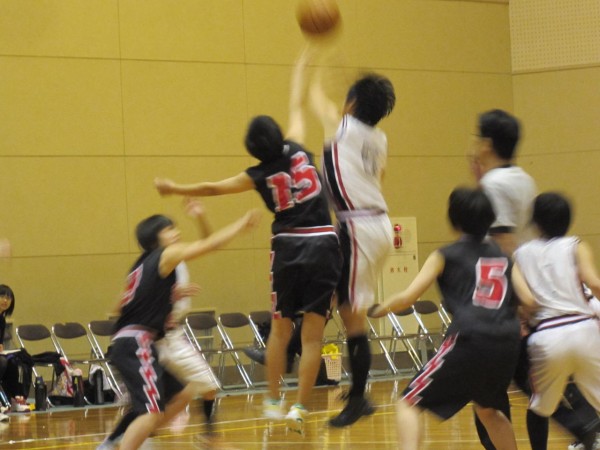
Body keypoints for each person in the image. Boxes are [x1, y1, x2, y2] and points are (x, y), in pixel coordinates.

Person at [154, 47, 342, 434]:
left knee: (280, 328)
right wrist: (298, 70)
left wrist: (175, 187)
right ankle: (301, 408)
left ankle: (273, 401)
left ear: (253, 151)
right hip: (325, 241)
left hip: (290, 245)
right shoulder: (297, 147)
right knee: (312, 336)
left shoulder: (257, 174)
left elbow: (211, 187)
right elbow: (295, 108)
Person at [470, 110, 600, 450]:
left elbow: (502, 243)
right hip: (538, 294)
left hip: (509, 291)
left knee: (492, 382)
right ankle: (581, 420)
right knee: (526, 376)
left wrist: (512, 302)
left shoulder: (493, 184)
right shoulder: (522, 179)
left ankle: (580, 422)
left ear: (487, 143)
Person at [101, 198, 260, 450]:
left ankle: (134, 437)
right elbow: (211, 243)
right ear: (156, 238)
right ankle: (119, 440)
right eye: (169, 229)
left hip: (138, 338)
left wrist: (165, 297)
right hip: (143, 340)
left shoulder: (140, 266)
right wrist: (240, 225)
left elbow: (119, 305)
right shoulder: (166, 255)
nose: (176, 233)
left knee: (176, 396)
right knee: (150, 411)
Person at [370, 187, 521, 450]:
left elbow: (408, 298)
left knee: (408, 403)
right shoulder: (504, 258)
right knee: (489, 411)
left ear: (454, 219)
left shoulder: (445, 255)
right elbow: (525, 300)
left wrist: (374, 310)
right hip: (506, 341)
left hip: (470, 337)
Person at [309, 57, 396, 427]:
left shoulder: (343, 127)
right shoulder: (379, 137)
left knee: (352, 317)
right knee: (329, 296)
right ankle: (292, 345)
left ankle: (359, 398)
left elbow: (314, 100)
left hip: (358, 227)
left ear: (352, 105)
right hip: (372, 224)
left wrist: (311, 64)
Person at [513, 192, 600, 450]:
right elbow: (594, 283)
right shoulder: (576, 245)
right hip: (585, 329)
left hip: (548, 336)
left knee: (540, 407)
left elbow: (526, 301)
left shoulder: (520, 255)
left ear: (535, 221)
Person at [0, 285, 15, 422]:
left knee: (13, 361)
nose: (5, 300)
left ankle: (15, 399)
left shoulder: (2, 320)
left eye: (8, 298)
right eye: (2, 297)